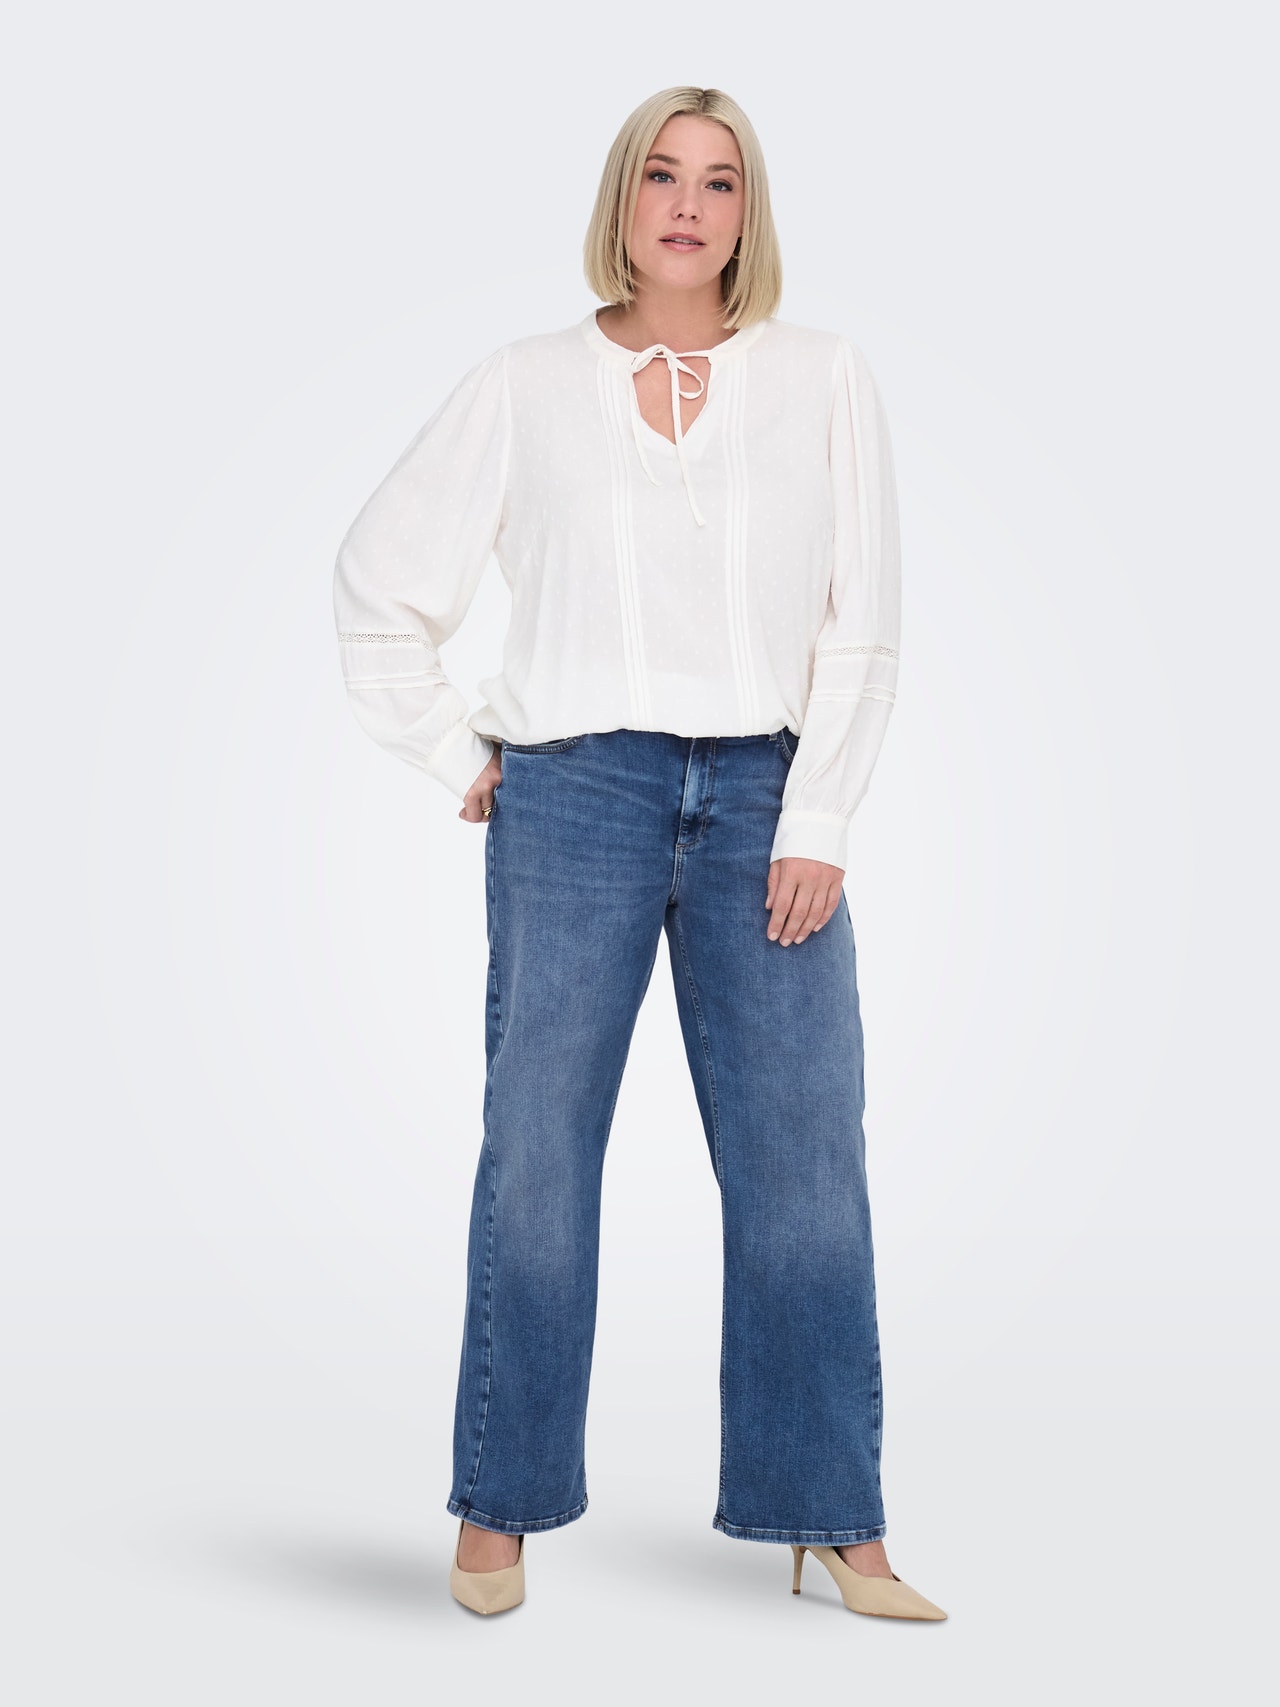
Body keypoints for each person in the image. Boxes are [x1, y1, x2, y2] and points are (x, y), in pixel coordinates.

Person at [332, 84, 947, 1623]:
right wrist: (462, 758)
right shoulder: (526, 382)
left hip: (766, 799)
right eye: (662, 175)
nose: (688, 204)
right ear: (621, 198)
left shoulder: (823, 377)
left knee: (804, 1160)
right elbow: (378, 584)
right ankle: (500, 1507)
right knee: (540, 1154)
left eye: (720, 181)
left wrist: (820, 818)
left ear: (749, 214)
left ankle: (832, 1516)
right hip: (575, 795)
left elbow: (863, 621)